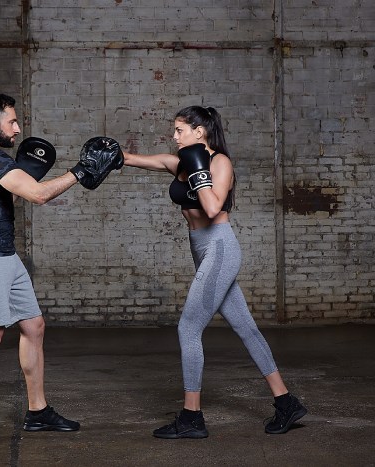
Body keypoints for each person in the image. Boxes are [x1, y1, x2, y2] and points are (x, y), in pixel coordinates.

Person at [121, 105, 307, 439]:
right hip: (201, 250)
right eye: (174, 130)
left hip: (220, 248)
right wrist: (107, 153)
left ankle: (191, 417)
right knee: (246, 328)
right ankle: (286, 402)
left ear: (199, 131)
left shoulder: (220, 163)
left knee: (188, 328)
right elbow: (133, 159)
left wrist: (197, 168)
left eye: (180, 130)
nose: (174, 136)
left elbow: (211, 207)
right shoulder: (177, 162)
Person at [0, 93, 121, 445]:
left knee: (33, 326)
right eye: (12, 122)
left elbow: (15, 194)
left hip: (5, 254)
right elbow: (38, 196)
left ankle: (37, 411)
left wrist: (26, 174)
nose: (17, 129)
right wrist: (81, 171)